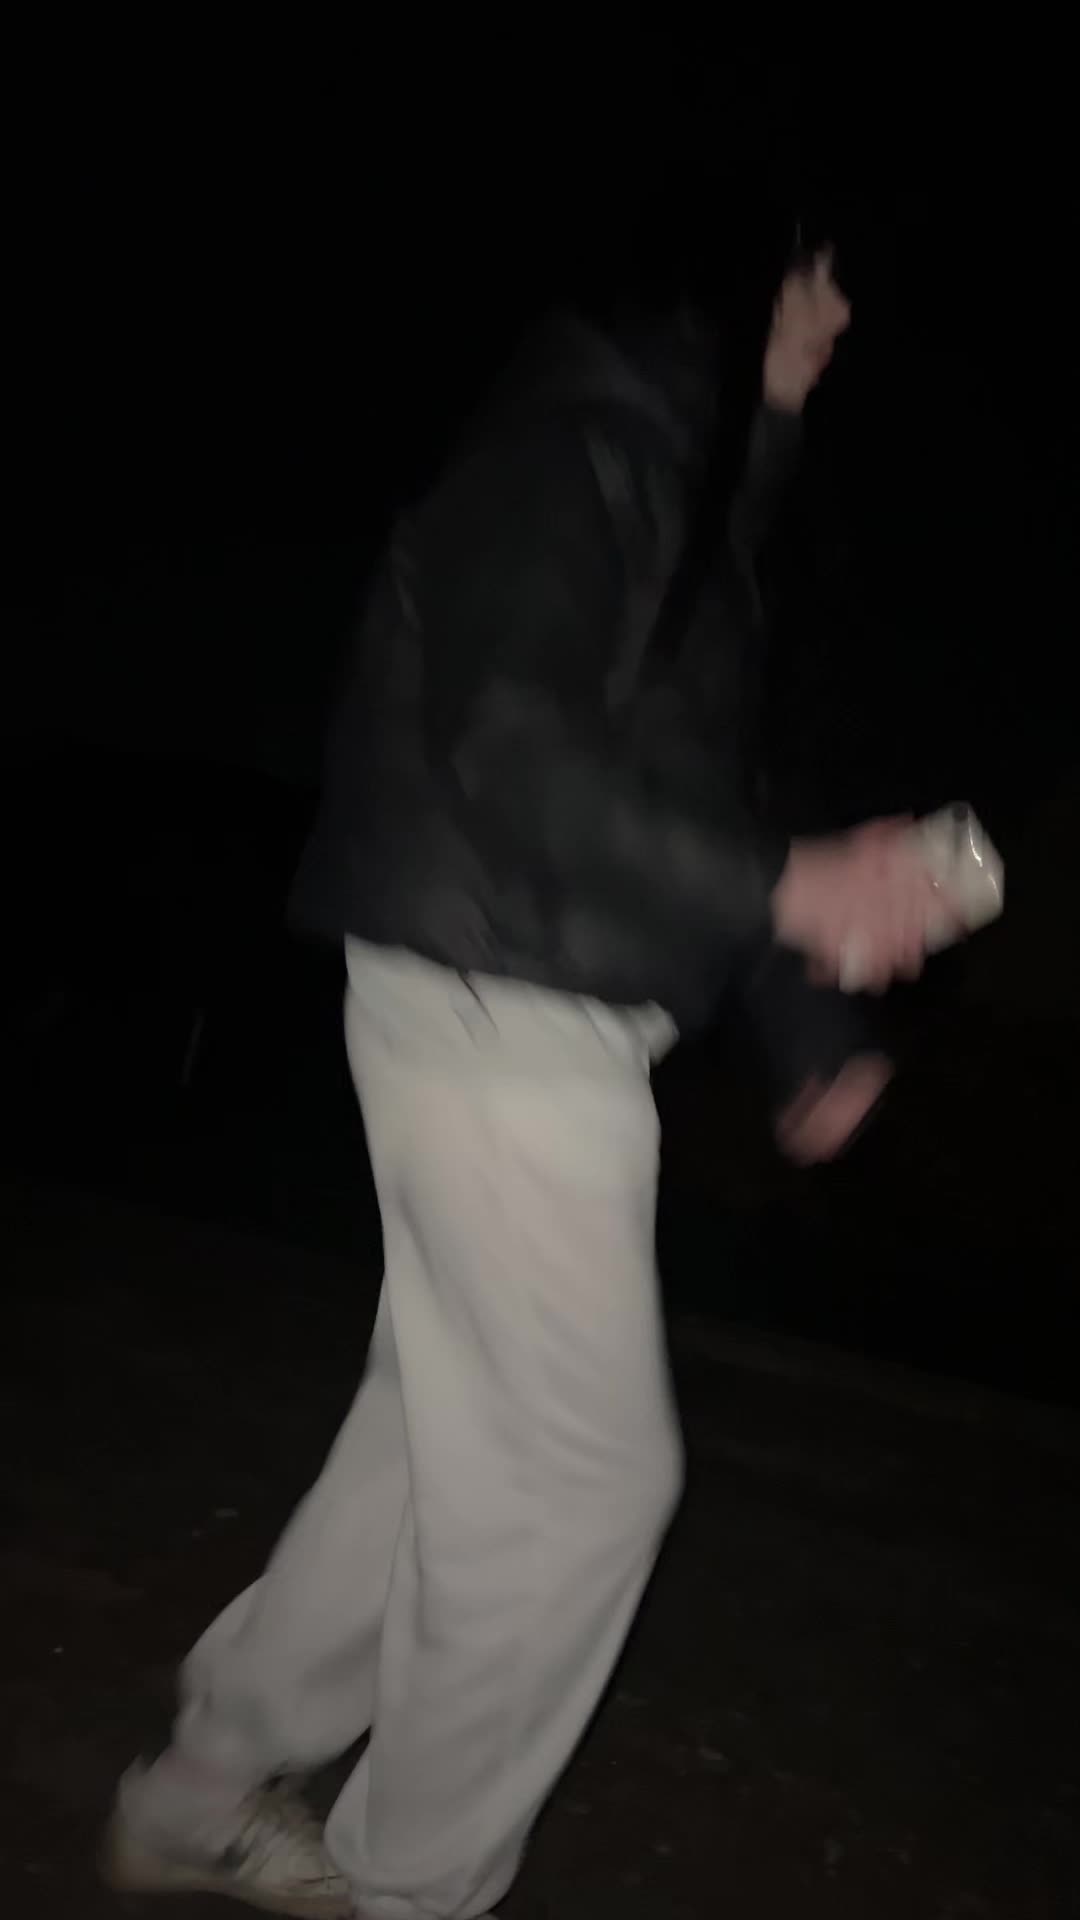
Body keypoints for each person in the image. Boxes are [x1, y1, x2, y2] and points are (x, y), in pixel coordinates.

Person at [104, 246, 945, 1919]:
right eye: (807, 289)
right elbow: (506, 741)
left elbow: (698, 789)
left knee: (435, 1446)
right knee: (578, 1485)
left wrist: (806, 1023)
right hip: (500, 1000)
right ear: (721, 289)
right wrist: (792, 887)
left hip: (530, 1008)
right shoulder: (582, 443)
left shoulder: (695, 518)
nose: (831, 325)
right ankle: (412, 1890)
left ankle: (198, 1793)